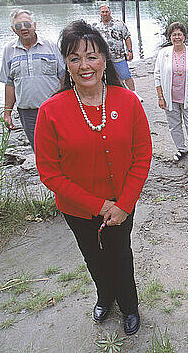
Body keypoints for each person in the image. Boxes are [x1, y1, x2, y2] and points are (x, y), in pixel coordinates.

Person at [35, 21, 152, 336]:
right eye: (75, 58)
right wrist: (98, 206)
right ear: (67, 65)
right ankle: (105, 297)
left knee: (121, 254)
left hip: (122, 205)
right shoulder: (50, 111)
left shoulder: (127, 101)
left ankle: (129, 305)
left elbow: (142, 157)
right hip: (77, 208)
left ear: (104, 60)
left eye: (91, 56)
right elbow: (49, 171)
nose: (84, 65)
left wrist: (124, 203)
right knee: (93, 257)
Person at [0, 8, 64, 151]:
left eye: (27, 24)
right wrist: (7, 112)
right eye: (18, 26)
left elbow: (64, 78)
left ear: (34, 25)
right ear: (13, 29)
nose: (23, 29)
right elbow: (9, 84)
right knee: (39, 150)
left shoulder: (51, 46)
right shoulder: (9, 50)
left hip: (54, 109)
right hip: (28, 113)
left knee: (62, 146)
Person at [155, 22, 188, 162]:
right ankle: (181, 149)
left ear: (184, 36)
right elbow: (157, 75)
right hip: (169, 97)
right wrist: (160, 97)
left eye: (179, 34)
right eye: (174, 35)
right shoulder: (163, 53)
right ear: (170, 37)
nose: (177, 37)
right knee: (174, 125)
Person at [93, 4, 142, 101]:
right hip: (104, 59)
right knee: (105, 78)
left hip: (119, 57)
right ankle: (110, 96)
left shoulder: (119, 24)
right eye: (103, 12)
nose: (105, 14)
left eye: (106, 11)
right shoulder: (96, 27)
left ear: (110, 12)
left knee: (126, 76)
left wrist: (130, 51)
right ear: (100, 13)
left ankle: (134, 94)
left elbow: (127, 37)